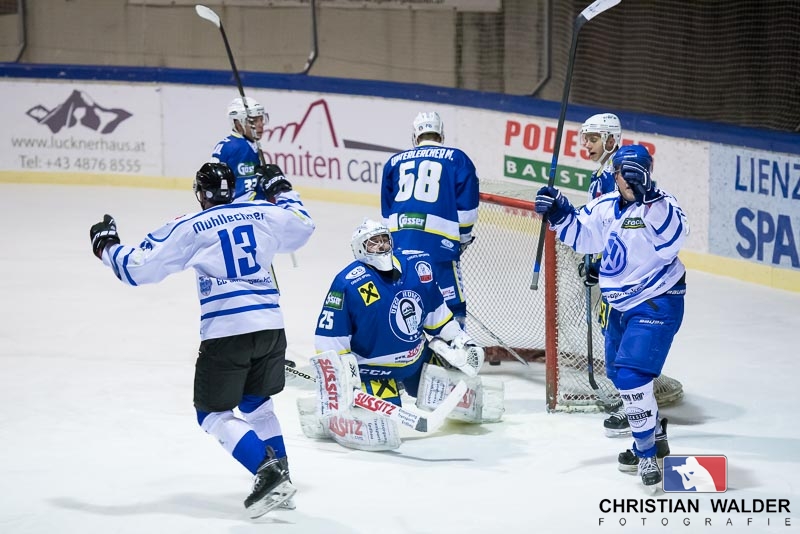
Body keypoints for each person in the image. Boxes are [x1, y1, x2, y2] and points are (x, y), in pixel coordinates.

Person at [88, 162, 314, 517]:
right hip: (271, 326)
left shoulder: (190, 226)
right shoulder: (263, 213)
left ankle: (267, 472)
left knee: (211, 412)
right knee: (257, 403)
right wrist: (280, 187)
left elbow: (139, 268)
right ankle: (282, 477)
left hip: (227, 331)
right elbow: (302, 225)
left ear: (200, 193)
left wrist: (106, 246)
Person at [534, 144, 687, 489]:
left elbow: (672, 243)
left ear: (645, 173)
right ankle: (654, 434)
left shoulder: (661, 205)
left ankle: (646, 453)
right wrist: (559, 212)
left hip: (656, 301)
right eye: (621, 172)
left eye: (633, 173)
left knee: (632, 376)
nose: (625, 179)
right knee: (619, 375)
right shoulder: (605, 206)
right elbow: (584, 237)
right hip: (619, 305)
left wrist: (649, 198)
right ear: (615, 175)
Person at [299, 219, 503, 451]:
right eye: (373, 242)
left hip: (416, 362)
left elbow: (436, 315)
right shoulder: (348, 284)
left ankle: (410, 384)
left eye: (384, 239)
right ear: (359, 249)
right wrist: (341, 380)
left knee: (463, 396)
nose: (381, 245)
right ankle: (328, 416)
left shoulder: (416, 266)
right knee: (380, 430)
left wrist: (460, 341)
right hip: (374, 372)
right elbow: (330, 339)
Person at [380, 111, 480, 326]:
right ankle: (455, 343)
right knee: (452, 305)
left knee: (405, 298)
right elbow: (467, 209)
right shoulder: (457, 158)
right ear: (441, 134)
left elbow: (386, 213)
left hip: (400, 243)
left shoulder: (394, 161)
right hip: (440, 244)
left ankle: (409, 342)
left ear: (415, 136)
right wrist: (462, 239)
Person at [578, 113, 631, 437]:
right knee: (611, 332)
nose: (587, 144)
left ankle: (633, 405)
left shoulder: (616, 176)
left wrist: (599, 264)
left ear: (612, 140)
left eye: (594, 138)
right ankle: (632, 400)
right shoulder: (602, 174)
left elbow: (617, 229)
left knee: (618, 337)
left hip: (619, 274)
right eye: (585, 138)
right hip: (611, 271)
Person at [210, 96, 270, 202]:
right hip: (242, 208)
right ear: (238, 124)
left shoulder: (243, 144)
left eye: (261, 119)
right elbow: (242, 195)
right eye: (254, 121)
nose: (260, 125)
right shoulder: (238, 148)